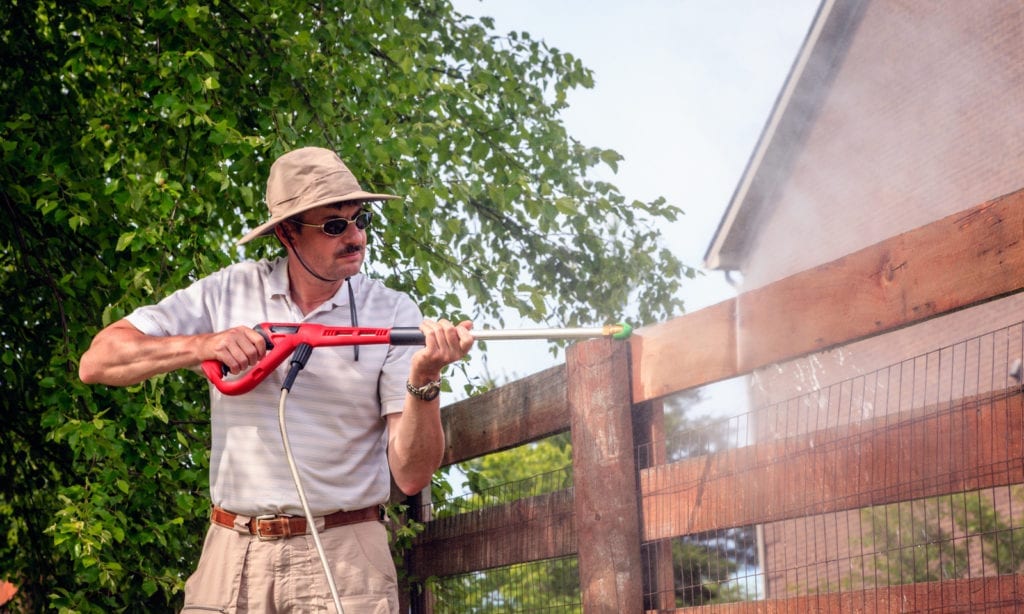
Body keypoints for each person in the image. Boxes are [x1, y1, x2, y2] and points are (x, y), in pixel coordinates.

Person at [79, 146, 474, 612]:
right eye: (334, 225)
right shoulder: (228, 290)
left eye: (360, 220)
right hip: (231, 555)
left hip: (346, 557)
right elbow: (98, 361)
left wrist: (425, 379)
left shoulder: (391, 312)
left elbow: (411, 474)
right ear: (288, 233)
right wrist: (202, 345)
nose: (354, 237)